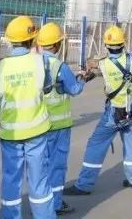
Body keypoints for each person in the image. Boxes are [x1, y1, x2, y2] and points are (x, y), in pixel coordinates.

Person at [63, 26, 132, 196]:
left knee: (96, 144)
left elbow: (92, 63)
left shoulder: (104, 64)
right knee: (131, 141)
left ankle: (84, 185)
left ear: (107, 45)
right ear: (123, 43)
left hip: (115, 111)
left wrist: (87, 68)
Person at [0, 16, 56, 219]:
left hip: (10, 133)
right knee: (39, 180)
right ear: (32, 39)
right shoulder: (40, 61)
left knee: (11, 180)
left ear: (10, 40)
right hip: (37, 131)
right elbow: (47, 88)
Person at [36, 22, 93, 215]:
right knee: (57, 166)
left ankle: (39, 204)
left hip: (37, 124)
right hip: (58, 125)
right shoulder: (60, 66)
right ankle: (56, 204)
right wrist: (83, 79)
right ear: (57, 44)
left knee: (39, 167)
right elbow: (74, 89)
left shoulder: (33, 63)